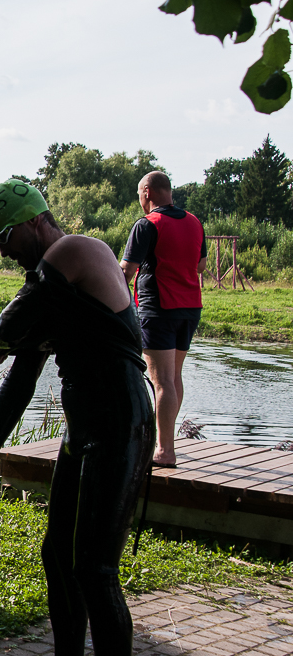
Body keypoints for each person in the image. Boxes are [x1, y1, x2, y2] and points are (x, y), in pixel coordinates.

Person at [0, 179, 154, 656]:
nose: (2, 249)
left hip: (121, 423)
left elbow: (13, 322)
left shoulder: (74, 252)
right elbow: (21, 378)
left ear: (31, 221)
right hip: (84, 428)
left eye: (3, 236)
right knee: (57, 555)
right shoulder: (53, 286)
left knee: (96, 568)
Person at [120, 171, 206, 468]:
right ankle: (164, 441)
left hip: (159, 308)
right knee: (174, 377)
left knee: (161, 381)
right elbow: (201, 264)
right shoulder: (194, 222)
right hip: (190, 307)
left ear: (147, 193)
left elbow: (126, 272)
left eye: (139, 196)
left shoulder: (147, 224)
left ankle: (165, 451)